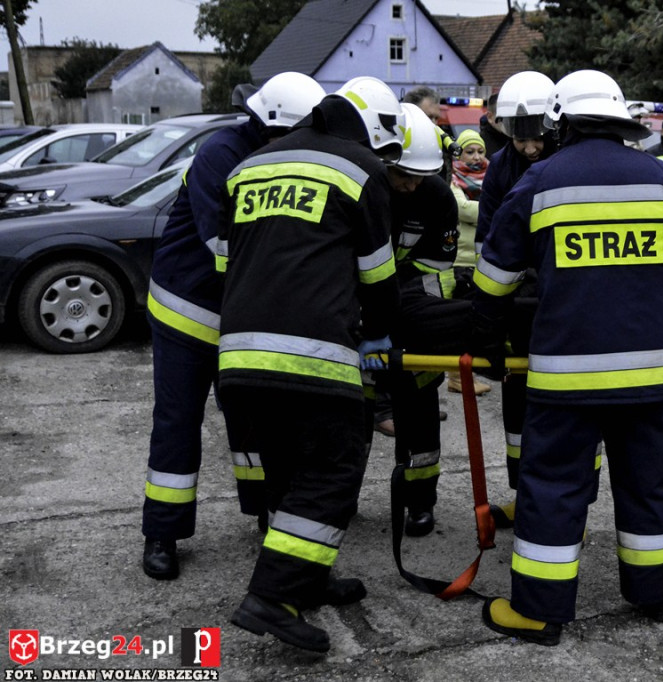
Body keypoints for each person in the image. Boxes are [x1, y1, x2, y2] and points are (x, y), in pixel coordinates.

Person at [472, 69, 663, 645]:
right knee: (647, 484)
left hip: (566, 377)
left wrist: (487, 335)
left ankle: (540, 611)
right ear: (621, 120)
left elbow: (493, 278)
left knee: (552, 488)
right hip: (651, 377)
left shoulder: (540, 181)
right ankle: (655, 596)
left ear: (561, 120)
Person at [219, 76, 404, 653]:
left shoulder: (250, 166)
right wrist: (378, 338)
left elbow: (227, 261)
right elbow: (378, 274)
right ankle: (272, 598)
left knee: (287, 474)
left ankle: (308, 578)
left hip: (240, 356)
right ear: (374, 134)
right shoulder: (359, 169)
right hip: (315, 356)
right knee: (332, 471)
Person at [141, 72, 327, 581]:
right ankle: (163, 532)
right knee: (178, 422)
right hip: (188, 309)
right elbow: (226, 248)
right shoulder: (220, 155)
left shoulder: (285, 155)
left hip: (240, 313)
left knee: (255, 422)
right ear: (265, 123)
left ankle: (264, 513)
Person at [370, 103, 469, 537]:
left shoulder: (436, 196)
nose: (411, 185)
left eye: (420, 176)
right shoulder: (364, 188)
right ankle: (332, 501)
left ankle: (420, 503)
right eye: (403, 176)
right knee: (348, 415)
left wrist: (402, 312)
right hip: (354, 311)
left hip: (411, 309)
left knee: (421, 414)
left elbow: (435, 273)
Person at [473, 70, 559, 530]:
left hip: (563, 302)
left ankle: (570, 511)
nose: (529, 147)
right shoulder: (501, 167)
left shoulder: (567, 160)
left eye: (537, 137)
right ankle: (526, 498)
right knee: (518, 411)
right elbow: (487, 239)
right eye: (520, 137)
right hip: (519, 304)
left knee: (566, 414)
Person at [447, 128, 492, 396]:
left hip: (485, 259)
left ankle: (466, 375)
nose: (476, 157)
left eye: (480, 151)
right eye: (469, 151)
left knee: (476, 322)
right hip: (461, 262)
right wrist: (493, 209)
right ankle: (457, 377)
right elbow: (463, 210)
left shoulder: (491, 178)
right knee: (461, 323)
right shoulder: (453, 180)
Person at [478, 92, 507, 160]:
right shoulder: (479, 145)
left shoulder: (517, 140)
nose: (508, 121)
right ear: (490, 117)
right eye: (503, 117)